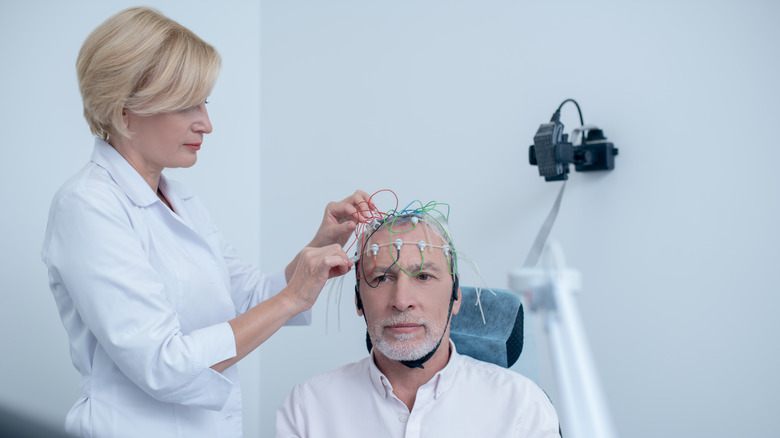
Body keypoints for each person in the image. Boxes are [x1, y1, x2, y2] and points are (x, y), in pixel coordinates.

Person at [41, 7, 370, 438]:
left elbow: (250, 298)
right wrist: (292, 298)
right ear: (124, 113)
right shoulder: (86, 206)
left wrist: (321, 242)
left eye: (205, 102)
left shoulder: (182, 201)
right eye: (185, 106)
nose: (207, 124)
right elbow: (163, 365)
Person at [275, 209, 561, 437]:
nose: (401, 300)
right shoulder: (308, 408)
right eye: (382, 278)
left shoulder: (522, 406)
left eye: (423, 276)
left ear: (456, 296)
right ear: (358, 301)